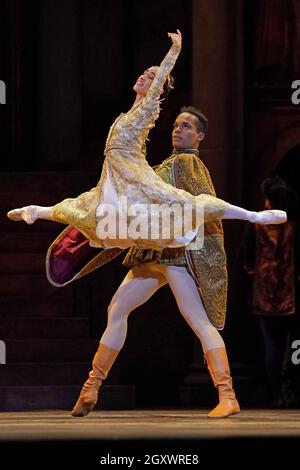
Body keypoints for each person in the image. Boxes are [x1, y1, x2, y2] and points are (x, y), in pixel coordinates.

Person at [67, 106, 282, 419]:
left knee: (197, 320)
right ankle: (91, 387)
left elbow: (204, 205)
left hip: (176, 254)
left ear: (200, 135)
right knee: (118, 309)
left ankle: (227, 393)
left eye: (187, 126)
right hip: (154, 253)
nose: (178, 130)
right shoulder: (169, 163)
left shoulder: (188, 162)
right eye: (177, 125)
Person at [7, 30, 286, 251]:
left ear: (158, 89)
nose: (145, 77)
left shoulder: (149, 107)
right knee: (84, 209)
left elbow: (162, 77)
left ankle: (253, 216)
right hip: (114, 178)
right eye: (144, 73)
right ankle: (36, 211)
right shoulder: (128, 112)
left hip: (135, 176)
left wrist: (174, 51)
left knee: (189, 204)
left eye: (151, 77)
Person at [242, 176, 299, 408]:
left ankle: (276, 394)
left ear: (268, 202)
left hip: (263, 295)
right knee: (296, 345)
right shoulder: (295, 227)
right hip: (293, 295)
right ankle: (293, 392)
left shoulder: (254, 227)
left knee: (272, 346)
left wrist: (256, 272)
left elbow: (245, 260)